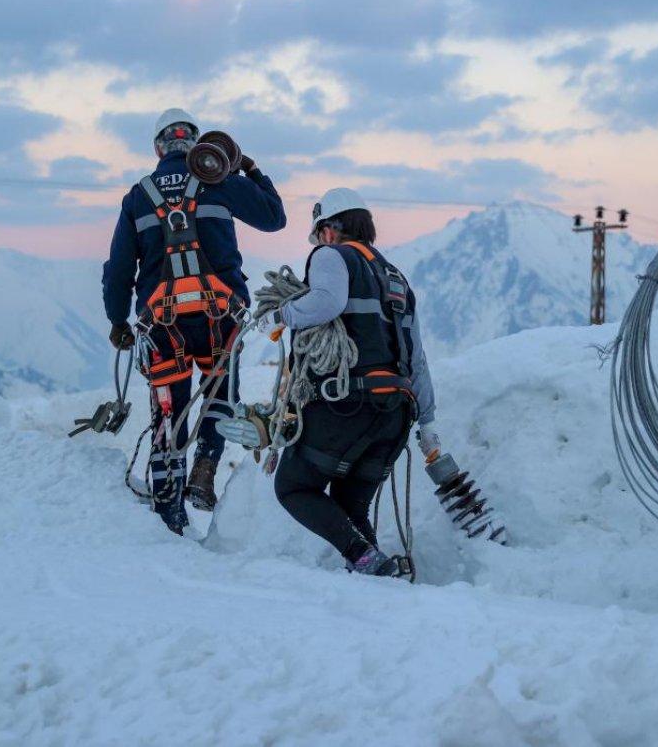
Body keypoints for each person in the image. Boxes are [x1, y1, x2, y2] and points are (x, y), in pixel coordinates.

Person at [102, 108, 286, 533]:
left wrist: (117, 320)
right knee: (221, 391)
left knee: (169, 410)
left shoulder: (138, 197)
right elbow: (274, 219)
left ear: (158, 147)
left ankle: (169, 511)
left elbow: (118, 269)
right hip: (220, 317)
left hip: (163, 324)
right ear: (196, 144)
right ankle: (206, 462)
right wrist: (249, 168)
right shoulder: (219, 180)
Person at [272, 188, 438, 577]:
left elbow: (327, 302)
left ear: (330, 229)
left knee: (294, 488)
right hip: (395, 412)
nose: (318, 243)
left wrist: (280, 316)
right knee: (351, 505)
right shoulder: (396, 277)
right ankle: (376, 572)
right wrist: (428, 424)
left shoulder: (332, 255)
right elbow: (417, 356)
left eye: (318, 235)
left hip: (347, 405)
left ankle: (363, 558)